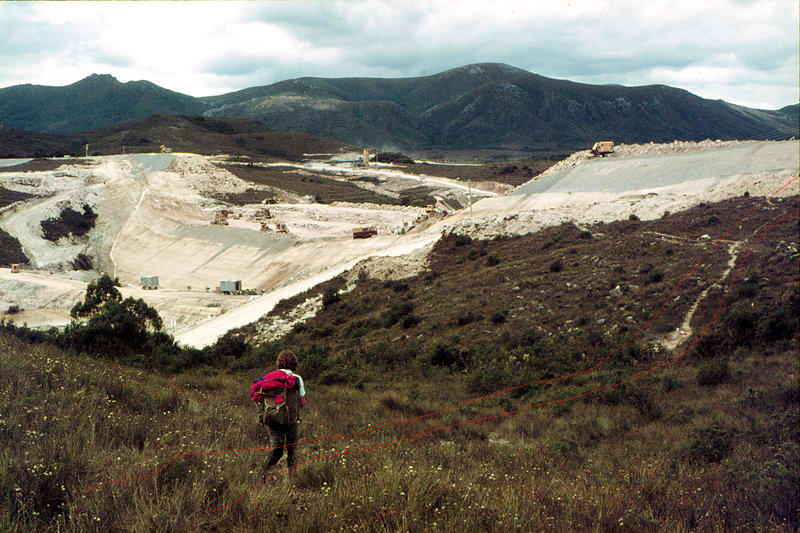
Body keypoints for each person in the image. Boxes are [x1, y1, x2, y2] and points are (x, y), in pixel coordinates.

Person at [263, 349, 306, 471]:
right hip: (290, 419)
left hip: (272, 417)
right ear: (293, 363)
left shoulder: (269, 378)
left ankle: (263, 471)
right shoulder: (296, 378)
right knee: (292, 450)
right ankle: (293, 479)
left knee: (276, 450)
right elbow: (302, 403)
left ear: (279, 362)